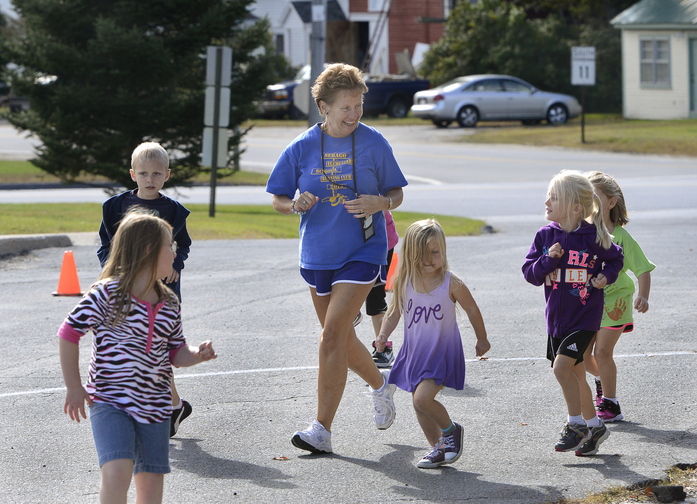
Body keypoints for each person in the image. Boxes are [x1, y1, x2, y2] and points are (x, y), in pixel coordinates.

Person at [265, 62, 408, 454]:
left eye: (359, 104)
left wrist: (382, 202)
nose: (354, 114)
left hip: (364, 250)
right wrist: (293, 203)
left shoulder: (374, 142)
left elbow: (397, 192)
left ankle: (321, 430)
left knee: (329, 336)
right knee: (341, 339)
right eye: (346, 106)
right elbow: (277, 197)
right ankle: (381, 385)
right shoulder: (301, 147)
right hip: (317, 254)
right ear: (323, 107)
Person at [59, 210, 217, 504]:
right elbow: (69, 333)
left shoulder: (169, 301)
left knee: (150, 484)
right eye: (169, 246)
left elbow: (176, 352)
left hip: (155, 406)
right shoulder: (106, 294)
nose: (175, 252)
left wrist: (196, 354)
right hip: (110, 401)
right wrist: (74, 386)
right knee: (117, 472)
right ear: (147, 250)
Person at [522, 169, 623, 457]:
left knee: (562, 368)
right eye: (547, 197)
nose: (546, 202)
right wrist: (547, 259)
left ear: (576, 208)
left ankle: (575, 424)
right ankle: (595, 426)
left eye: (554, 198)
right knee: (577, 375)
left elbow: (615, 258)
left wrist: (606, 276)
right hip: (556, 320)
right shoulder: (545, 237)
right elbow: (530, 274)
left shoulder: (592, 237)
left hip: (584, 317)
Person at [375, 219, 490, 468]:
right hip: (415, 353)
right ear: (411, 254)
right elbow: (394, 312)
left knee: (422, 400)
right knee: (418, 404)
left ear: (443, 252)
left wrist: (482, 338)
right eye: (422, 254)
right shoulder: (405, 282)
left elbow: (471, 308)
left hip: (441, 351)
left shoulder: (451, 282)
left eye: (435, 252)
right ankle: (438, 447)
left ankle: (451, 431)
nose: (429, 259)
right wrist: (383, 336)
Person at [97, 141, 194, 437]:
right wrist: (111, 271)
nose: (149, 179)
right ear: (132, 174)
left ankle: (166, 407)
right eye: (143, 173)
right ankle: (171, 405)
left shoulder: (174, 211)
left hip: (162, 289)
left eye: (156, 173)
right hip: (127, 287)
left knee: (158, 348)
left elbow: (183, 245)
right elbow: (106, 246)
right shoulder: (115, 206)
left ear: (167, 175)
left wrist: (177, 263)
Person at [583, 171, 655, 422]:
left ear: (611, 202)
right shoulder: (580, 232)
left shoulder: (622, 237)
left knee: (603, 353)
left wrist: (644, 296)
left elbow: (643, 268)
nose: (586, 201)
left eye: (593, 196)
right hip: (586, 302)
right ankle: (602, 378)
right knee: (581, 356)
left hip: (616, 301)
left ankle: (610, 403)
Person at [356, 210, 399, 367]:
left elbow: (392, 195)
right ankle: (350, 313)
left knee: (375, 296)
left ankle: (383, 347)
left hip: (378, 238)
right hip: (346, 240)